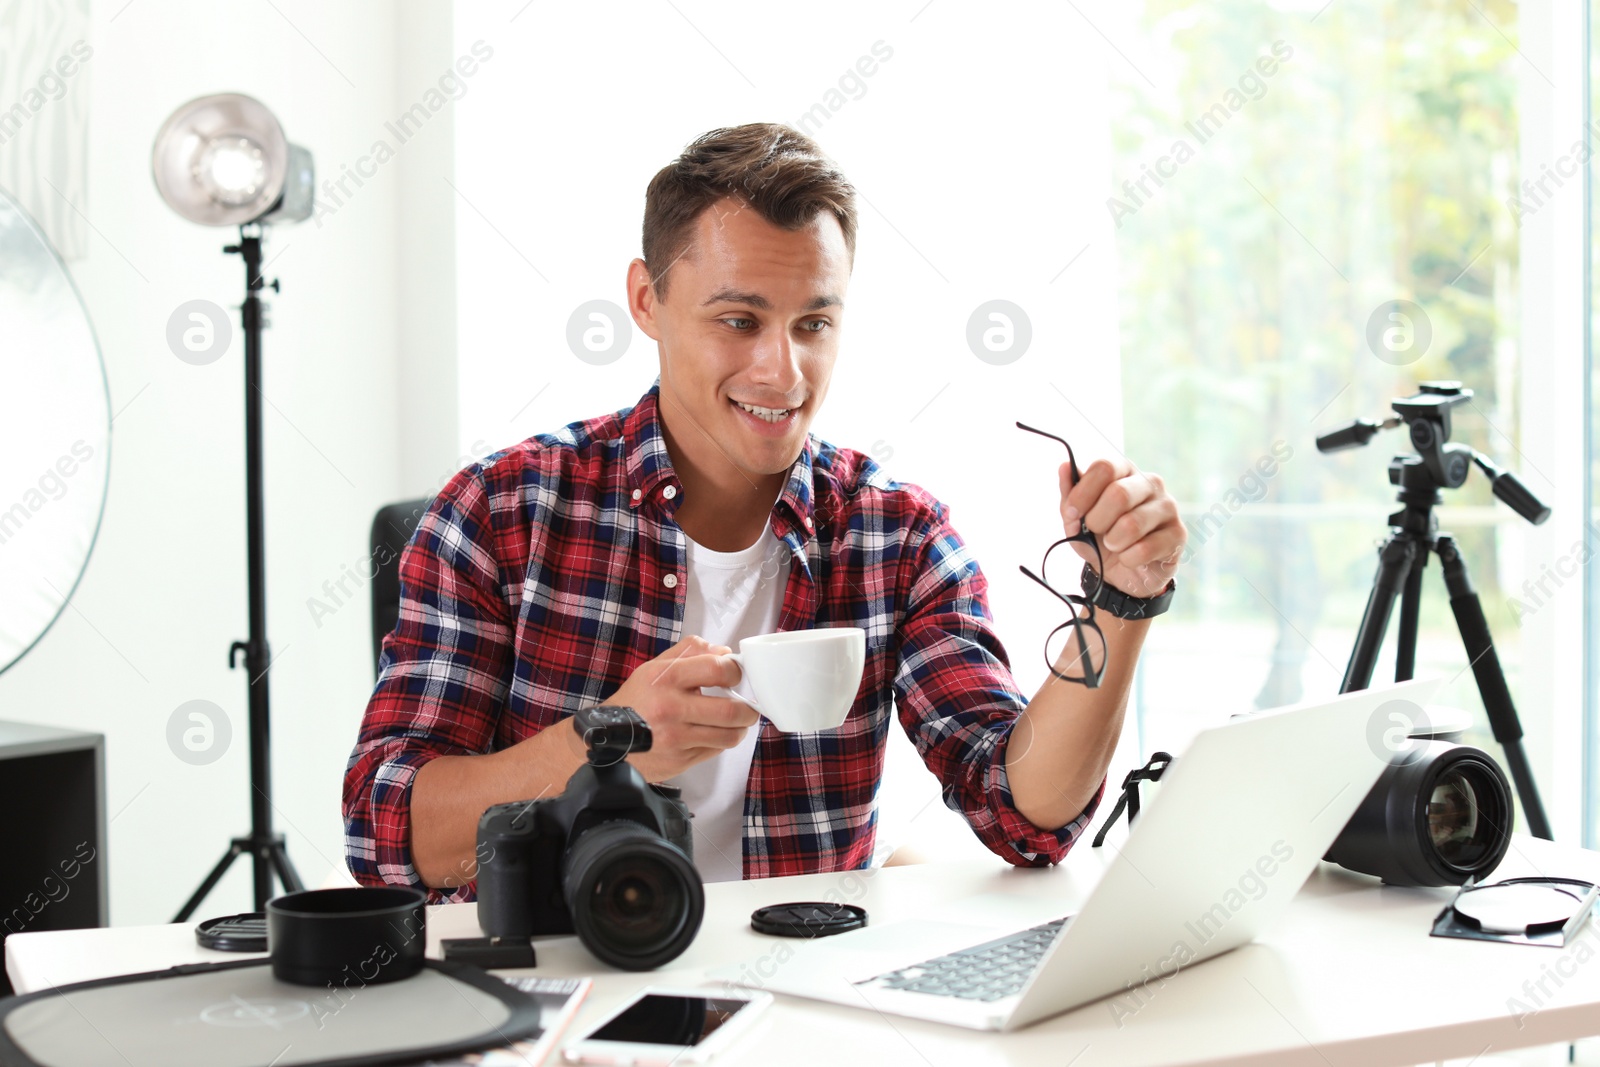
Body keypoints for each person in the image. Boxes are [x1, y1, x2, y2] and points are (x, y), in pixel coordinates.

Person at [343, 122, 1187, 901]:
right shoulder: (501, 512)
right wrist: (601, 742)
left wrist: (1124, 603)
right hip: (559, 992)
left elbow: (1024, 814)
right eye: (739, 320)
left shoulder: (899, 536)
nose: (783, 372)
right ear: (646, 300)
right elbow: (386, 834)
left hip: (799, 998)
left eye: (814, 323)